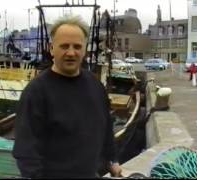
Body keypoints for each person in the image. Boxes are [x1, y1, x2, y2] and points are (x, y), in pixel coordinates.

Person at [12, 15, 122, 178]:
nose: (71, 52)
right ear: (51, 48)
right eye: (64, 46)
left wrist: (113, 161)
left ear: (84, 49)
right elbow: (26, 152)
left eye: (77, 46)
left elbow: (105, 128)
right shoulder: (36, 92)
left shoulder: (95, 85)